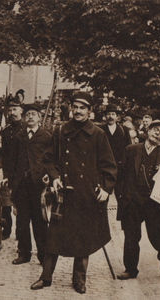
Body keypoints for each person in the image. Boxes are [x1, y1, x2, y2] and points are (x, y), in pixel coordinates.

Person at [31, 92, 117, 294]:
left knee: (83, 238)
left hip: (87, 194)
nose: (78, 111)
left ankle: (79, 280)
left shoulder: (98, 134)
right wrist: (54, 177)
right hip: (64, 194)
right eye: (75, 106)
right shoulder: (60, 132)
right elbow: (48, 159)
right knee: (54, 237)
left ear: (90, 111)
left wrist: (106, 189)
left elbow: (110, 166)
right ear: (71, 108)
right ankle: (46, 278)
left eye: (83, 107)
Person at [116, 119, 160, 283]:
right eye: (155, 129)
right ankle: (130, 269)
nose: (158, 133)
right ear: (148, 130)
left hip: (155, 203)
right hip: (132, 200)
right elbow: (119, 174)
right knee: (131, 237)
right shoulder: (131, 150)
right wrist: (121, 195)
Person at [10, 103, 51, 265]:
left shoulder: (46, 136)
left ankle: (43, 254)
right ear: (24, 118)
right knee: (22, 221)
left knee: (40, 221)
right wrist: (12, 181)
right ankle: (24, 253)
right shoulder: (19, 137)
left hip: (38, 185)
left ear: (39, 118)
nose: (31, 117)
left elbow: (51, 160)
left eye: (34, 114)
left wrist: (48, 176)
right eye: (28, 115)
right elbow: (12, 161)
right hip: (21, 185)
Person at [0, 96, 26, 240]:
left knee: (21, 204)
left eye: (15, 109)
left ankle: (20, 233)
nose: (12, 113)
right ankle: (6, 229)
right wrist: (5, 174)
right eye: (9, 110)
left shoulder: (26, 128)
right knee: (6, 203)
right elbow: (4, 155)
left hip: (23, 171)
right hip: (10, 170)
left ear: (21, 110)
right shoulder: (6, 131)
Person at [98, 104, 133, 196]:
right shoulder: (100, 130)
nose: (110, 116)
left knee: (121, 196)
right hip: (104, 168)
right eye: (108, 114)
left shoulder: (123, 130)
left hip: (120, 169)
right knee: (103, 195)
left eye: (113, 114)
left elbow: (129, 148)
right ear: (105, 117)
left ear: (117, 117)